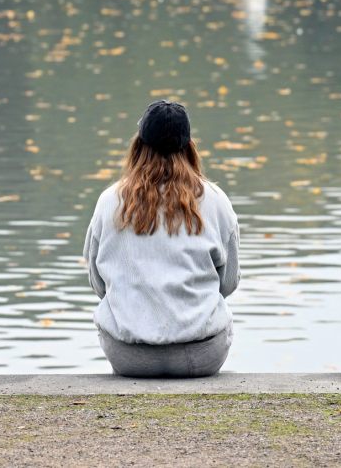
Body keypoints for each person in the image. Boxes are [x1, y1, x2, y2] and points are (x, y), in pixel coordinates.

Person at [83, 100, 241, 378]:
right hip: (201, 356)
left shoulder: (109, 201)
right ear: (190, 146)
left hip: (129, 357)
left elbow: (98, 284)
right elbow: (227, 283)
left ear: (139, 145)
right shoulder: (216, 201)